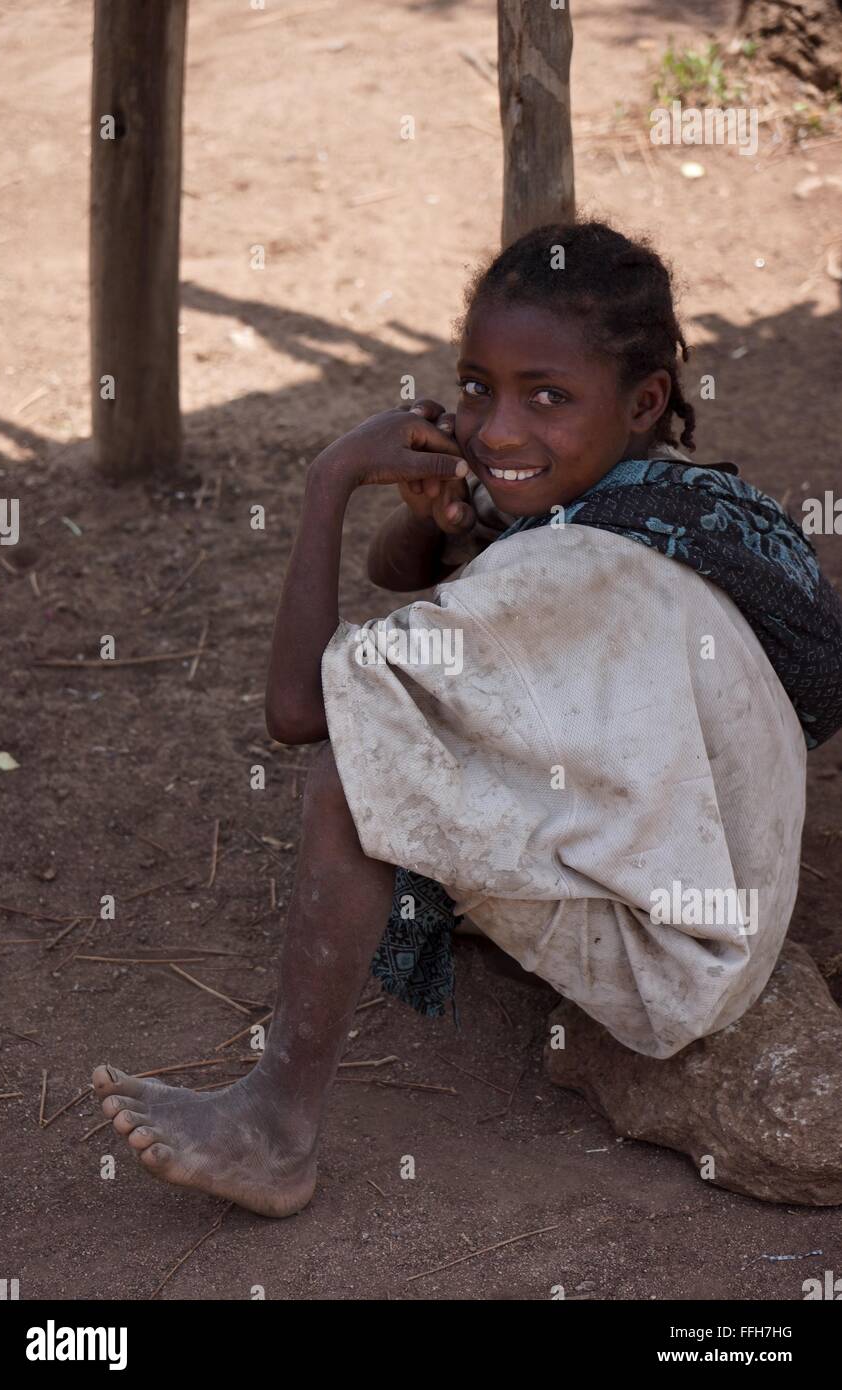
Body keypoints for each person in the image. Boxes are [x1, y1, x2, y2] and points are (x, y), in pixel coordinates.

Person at [93, 220, 842, 1215]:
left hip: (678, 962)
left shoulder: (566, 565)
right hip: (722, 892)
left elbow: (296, 711)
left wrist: (326, 486)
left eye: (545, 396)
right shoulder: (669, 503)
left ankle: (277, 1125)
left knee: (356, 772)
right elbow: (406, 571)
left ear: (643, 401)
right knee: (411, 711)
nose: (493, 432)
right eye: (477, 386)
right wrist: (432, 513)